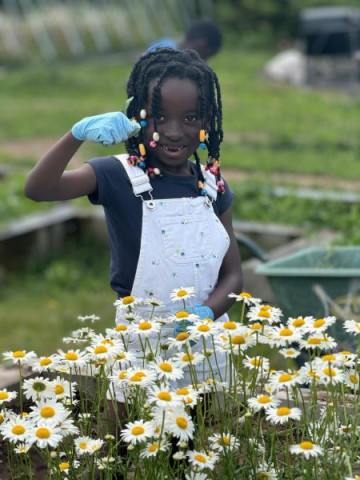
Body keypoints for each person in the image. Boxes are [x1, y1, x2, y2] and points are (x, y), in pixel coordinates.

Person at [24, 47, 242, 418]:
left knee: (208, 438)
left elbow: (233, 274)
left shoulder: (210, 186)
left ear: (207, 119)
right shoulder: (116, 175)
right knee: (127, 440)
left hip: (208, 341)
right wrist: (76, 135)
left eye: (190, 117)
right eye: (159, 116)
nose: (174, 131)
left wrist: (208, 312)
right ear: (136, 116)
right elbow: (39, 189)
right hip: (142, 342)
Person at [147, 19, 222, 60]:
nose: (204, 62)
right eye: (204, 57)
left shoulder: (166, 42)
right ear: (201, 45)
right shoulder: (168, 57)